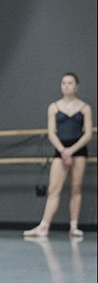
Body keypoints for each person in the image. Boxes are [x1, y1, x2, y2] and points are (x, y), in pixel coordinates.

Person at [24, 73, 93, 238]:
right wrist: (63, 150)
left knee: (76, 188)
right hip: (60, 150)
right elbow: (51, 133)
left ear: (76, 86)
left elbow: (88, 134)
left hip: (79, 150)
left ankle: (74, 226)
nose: (67, 86)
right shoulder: (53, 107)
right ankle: (44, 226)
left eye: (70, 83)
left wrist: (71, 150)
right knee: (54, 189)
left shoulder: (85, 108)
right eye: (64, 83)